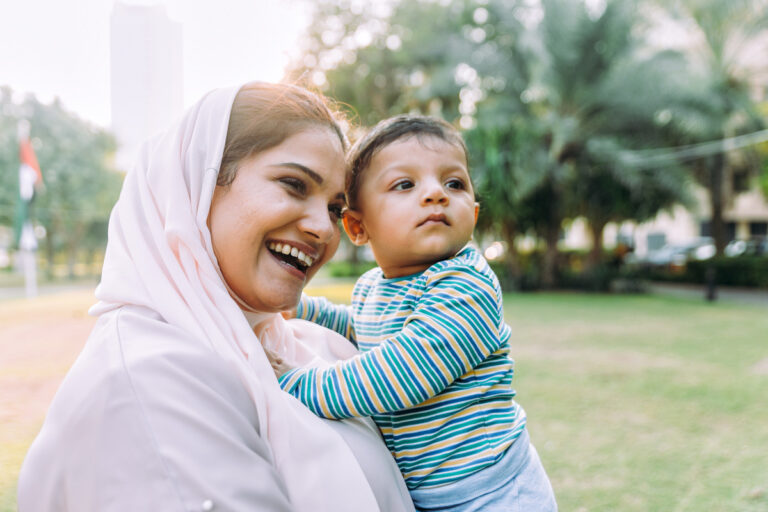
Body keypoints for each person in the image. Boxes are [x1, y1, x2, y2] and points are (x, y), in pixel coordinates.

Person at [16, 82, 414, 512]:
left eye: (336, 209)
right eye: (294, 184)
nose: (324, 228)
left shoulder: (307, 348)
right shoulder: (146, 383)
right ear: (198, 186)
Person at [273, 115, 557, 511]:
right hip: (428, 494)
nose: (436, 193)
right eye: (405, 184)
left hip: (492, 493)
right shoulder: (375, 286)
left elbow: (402, 372)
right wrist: (299, 307)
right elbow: (364, 328)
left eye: (453, 183)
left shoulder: (465, 284)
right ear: (357, 226)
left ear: (473, 216)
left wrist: (299, 385)